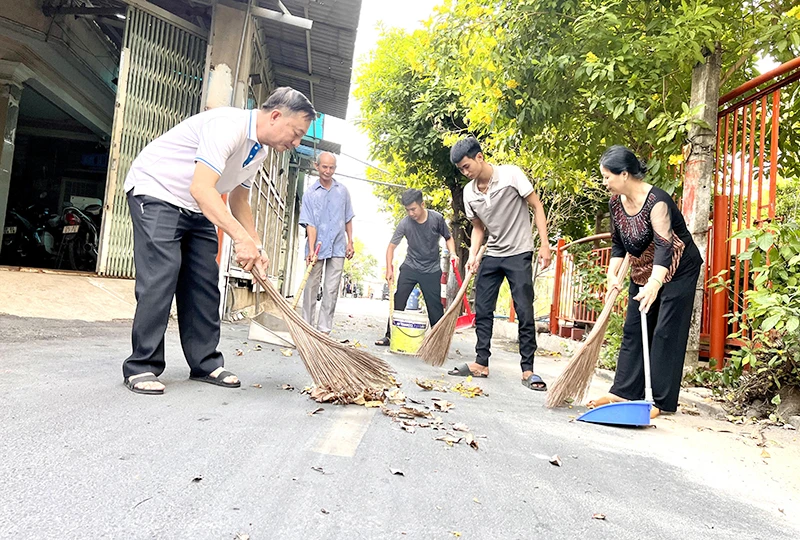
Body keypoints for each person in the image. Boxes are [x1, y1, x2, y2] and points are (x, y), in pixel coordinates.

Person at [122, 87, 316, 395]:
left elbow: (240, 198)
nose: (295, 144)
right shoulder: (228, 125)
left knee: (203, 280)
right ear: (276, 116)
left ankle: (205, 363)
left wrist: (256, 244)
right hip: (158, 191)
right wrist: (240, 239)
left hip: (196, 205)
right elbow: (202, 187)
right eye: (296, 134)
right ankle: (142, 365)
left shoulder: (260, 150)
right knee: (162, 275)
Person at [587, 145, 702, 418]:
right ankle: (624, 391)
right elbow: (618, 242)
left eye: (607, 177)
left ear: (624, 174)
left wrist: (655, 283)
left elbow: (664, 245)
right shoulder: (616, 202)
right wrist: (612, 274)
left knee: (664, 332)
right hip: (643, 268)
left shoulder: (657, 201)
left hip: (678, 267)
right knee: (633, 327)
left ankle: (659, 401)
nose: (605, 183)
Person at [447, 136, 551, 390]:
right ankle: (481, 362)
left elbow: (536, 206)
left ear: (479, 157)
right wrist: (473, 255)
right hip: (492, 254)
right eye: (460, 169)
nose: (465, 172)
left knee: (524, 312)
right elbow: (479, 228)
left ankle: (528, 370)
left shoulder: (511, 175)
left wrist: (545, 245)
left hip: (519, 252)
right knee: (482, 309)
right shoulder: (469, 192)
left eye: (466, 166)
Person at [375, 188, 457, 346]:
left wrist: (453, 253)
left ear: (422, 204)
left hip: (431, 269)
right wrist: (389, 268)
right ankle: (390, 335)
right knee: (398, 299)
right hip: (410, 267)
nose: (411, 213)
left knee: (435, 307)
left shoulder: (437, 219)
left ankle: (438, 341)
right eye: (407, 210)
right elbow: (391, 247)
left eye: (413, 209)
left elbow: (449, 238)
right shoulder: (405, 223)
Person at [299, 152, 355, 334]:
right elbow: (310, 223)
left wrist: (350, 242)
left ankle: (324, 329)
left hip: (338, 245)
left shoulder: (343, 191)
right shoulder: (310, 194)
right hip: (317, 247)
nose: (327, 171)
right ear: (317, 166)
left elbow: (348, 218)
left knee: (331, 289)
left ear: (335, 169)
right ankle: (307, 327)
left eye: (331, 167)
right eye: (324, 167)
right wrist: (312, 249)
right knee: (311, 287)